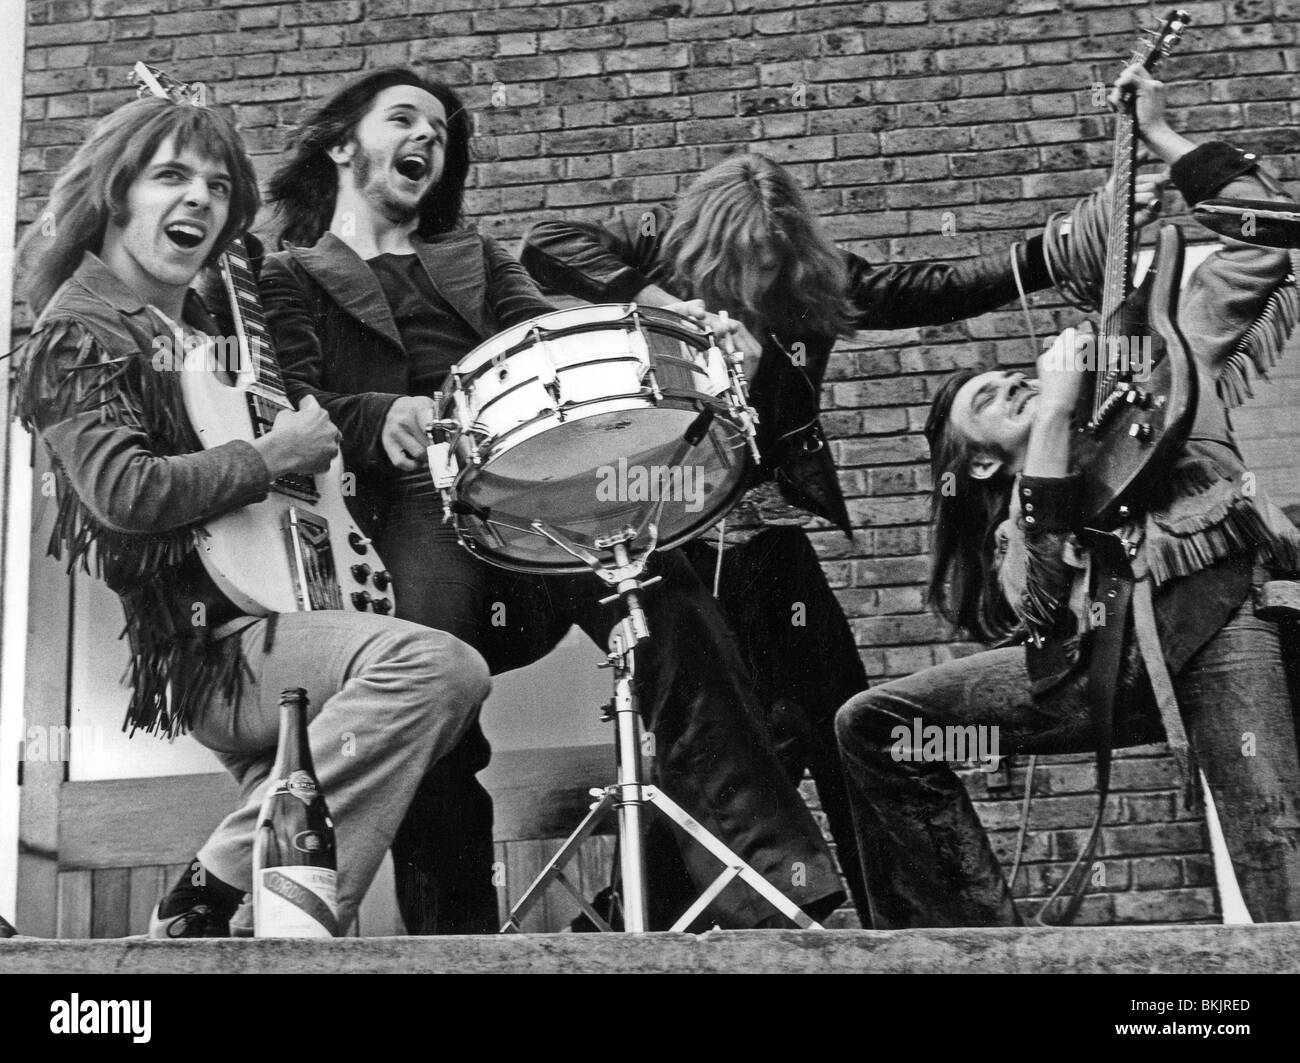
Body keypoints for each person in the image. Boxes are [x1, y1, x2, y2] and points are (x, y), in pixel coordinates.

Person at [257, 67, 845, 933]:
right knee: (434, 696)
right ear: (344, 144)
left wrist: (686, 332)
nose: (430, 136)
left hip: (536, 484)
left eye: (443, 130)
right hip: (418, 499)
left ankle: (772, 882)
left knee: (674, 603)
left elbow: (550, 341)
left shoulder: (475, 257)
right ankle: (455, 943)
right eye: (404, 118)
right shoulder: (291, 277)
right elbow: (294, 409)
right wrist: (385, 412)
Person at [519, 152, 1165, 921]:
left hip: (768, 541)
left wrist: (1071, 238)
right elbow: (547, 242)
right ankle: (630, 916)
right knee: (729, 742)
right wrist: (673, 309)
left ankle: (901, 926)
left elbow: (940, 288)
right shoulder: (658, 244)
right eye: (740, 261)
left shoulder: (811, 286)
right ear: (703, 244)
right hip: (675, 538)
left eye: (771, 260)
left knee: (844, 724)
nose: (757, 278)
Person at [12, 96, 492, 938]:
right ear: (116, 195)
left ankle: (234, 929)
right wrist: (272, 456)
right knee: (437, 667)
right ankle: (204, 889)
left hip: (283, 615)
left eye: (218, 185)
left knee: (296, 908)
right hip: (216, 647)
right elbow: (126, 493)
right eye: (170, 177)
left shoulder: (204, 329)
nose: (199, 198)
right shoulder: (76, 331)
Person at [834, 65, 1300, 927]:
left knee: (1272, 841)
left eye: (1012, 377)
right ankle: (986, 948)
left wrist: (1164, 137)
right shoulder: (1017, 527)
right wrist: (1052, 408)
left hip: (1216, 611)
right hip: (1097, 659)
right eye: (986, 401)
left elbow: (1266, 241)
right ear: (977, 465)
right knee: (878, 724)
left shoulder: (1162, 373)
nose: (1008, 383)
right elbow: (1041, 604)